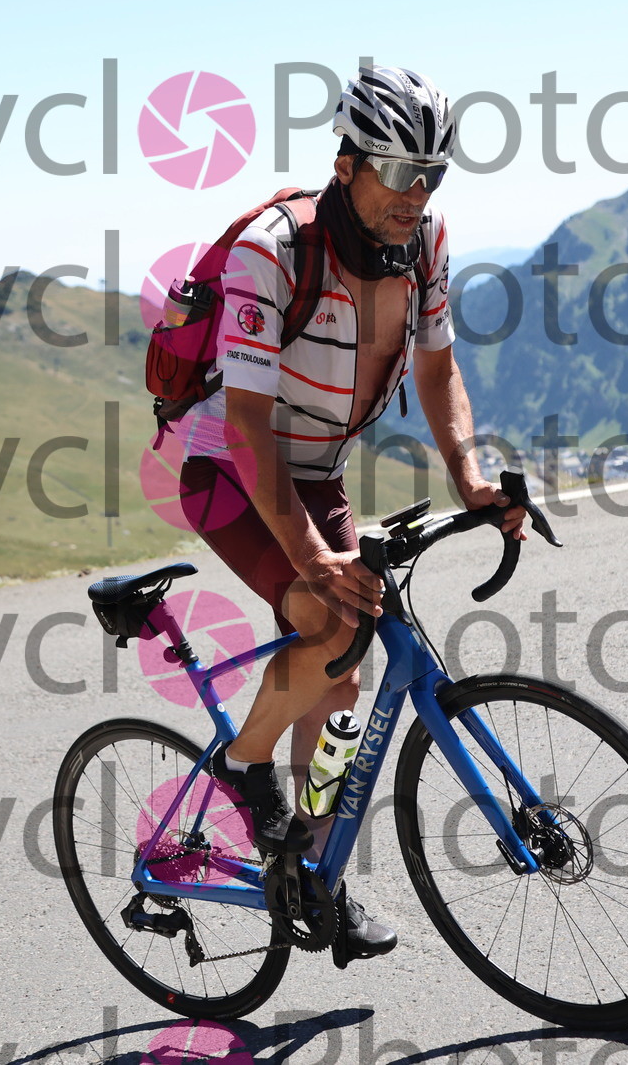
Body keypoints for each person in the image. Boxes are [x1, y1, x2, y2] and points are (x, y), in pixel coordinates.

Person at [175, 65, 526, 967]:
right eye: (402, 171)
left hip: (316, 469)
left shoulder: (425, 241)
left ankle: (311, 867)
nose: (419, 193)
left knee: (341, 677)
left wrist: (471, 478)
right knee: (331, 620)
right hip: (229, 466)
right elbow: (246, 425)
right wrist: (311, 559)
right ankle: (243, 765)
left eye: (433, 173)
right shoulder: (273, 253)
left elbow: (439, 370)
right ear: (347, 164)